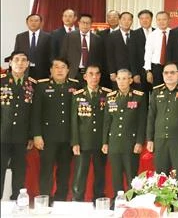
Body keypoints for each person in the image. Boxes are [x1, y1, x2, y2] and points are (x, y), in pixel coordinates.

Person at [146, 62, 178, 203]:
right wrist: (149, 139)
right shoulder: (156, 92)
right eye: (166, 73)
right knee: (161, 175)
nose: (169, 75)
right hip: (160, 140)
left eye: (172, 72)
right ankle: (163, 205)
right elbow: (151, 117)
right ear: (162, 75)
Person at [31, 58, 81, 202]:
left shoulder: (75, 86)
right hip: (47, 137)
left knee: (64, 172)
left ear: (68, 70)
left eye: (63, 67)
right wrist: (37, 135)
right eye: (56, 67)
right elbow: (36, 113)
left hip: (67, 137)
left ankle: (60, 200)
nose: (59, 70)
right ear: (51, 70)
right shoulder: (41, 87)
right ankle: (45, 200)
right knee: (46, 170)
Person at [102, 69, 146, 199]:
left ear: (130, 80)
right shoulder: (110, 97)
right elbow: (106, 121)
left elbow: (142, 121)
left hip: (130, 143)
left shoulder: (139, 96)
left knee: (132, 176)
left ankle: (133, 202)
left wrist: (139, 141)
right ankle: (119, 202)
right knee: (116, 176)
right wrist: (105, 142)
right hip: (114, 143)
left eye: (124, 78)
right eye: (119, 78)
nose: (121, 82)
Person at [70, 64, 111, 202]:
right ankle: (77, 200)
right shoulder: (77, 95)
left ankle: (99, 200)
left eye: (97, 74)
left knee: (100, 173)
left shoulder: (107, 94)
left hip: (100, 141)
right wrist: (75, 142)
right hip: (83, 141)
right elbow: (74, 121)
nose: (94, 77)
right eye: (91, 74)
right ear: (85, 76)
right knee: (80, 173)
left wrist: (106, 141)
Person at [0, 52, 35, 200]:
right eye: (16, 60)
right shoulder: (1, 82)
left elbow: (34, 113)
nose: (20, 63)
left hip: (22, 137)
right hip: (2, 134)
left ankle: (16, 203)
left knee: (19, 171)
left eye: (23, 60)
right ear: (10, 63)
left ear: (27, 64)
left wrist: (32, 136)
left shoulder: (32, 84)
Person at [60, 14, 105, 82]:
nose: (85, 25)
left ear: (91, 24)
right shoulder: (70, 36)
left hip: (90, 74)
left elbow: (100, 58)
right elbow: (63, 55)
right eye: (83, 22)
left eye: (88, 23)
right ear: (79, 23)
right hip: (73, 73)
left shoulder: (97, 39)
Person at [14, 13, 52, 79]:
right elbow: (16, 54)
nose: (33, 23)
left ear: (41, 23)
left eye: (36, 21)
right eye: (31, 21)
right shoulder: (20, 37)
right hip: (24, 70)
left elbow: (51, 55)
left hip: (42, 71)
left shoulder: (48, 37)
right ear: (27, 23)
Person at [144, 11, 171, 88]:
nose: (161, 22)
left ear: (169, 20)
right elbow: (148, 54)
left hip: (171, 67)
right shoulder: (152, 35)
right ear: (156, 21)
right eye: (159, 20)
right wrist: (148, 71)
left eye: (164, 19)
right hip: (156, 68)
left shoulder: (174, 33)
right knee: (157, 91)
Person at [130, 9, 154, 93]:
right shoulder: (133, 34)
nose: (144, 20)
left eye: (147, 18)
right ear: (139, 20)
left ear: (151, 19)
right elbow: (132, 56)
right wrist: (135, 74)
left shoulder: (157, 32)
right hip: (140, 72)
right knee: (142, 99)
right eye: (142, 18)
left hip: (156, 71)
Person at [107, 12, 134, 86]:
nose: (126, 22)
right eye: (124, 19)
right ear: (119, 21)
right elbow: (109, 56)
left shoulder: (136, 35)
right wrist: (112, 72)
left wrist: (137, 73)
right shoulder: (111, 36)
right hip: (118, 73)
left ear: (132, 21)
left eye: (129, 20)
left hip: (133, 73)